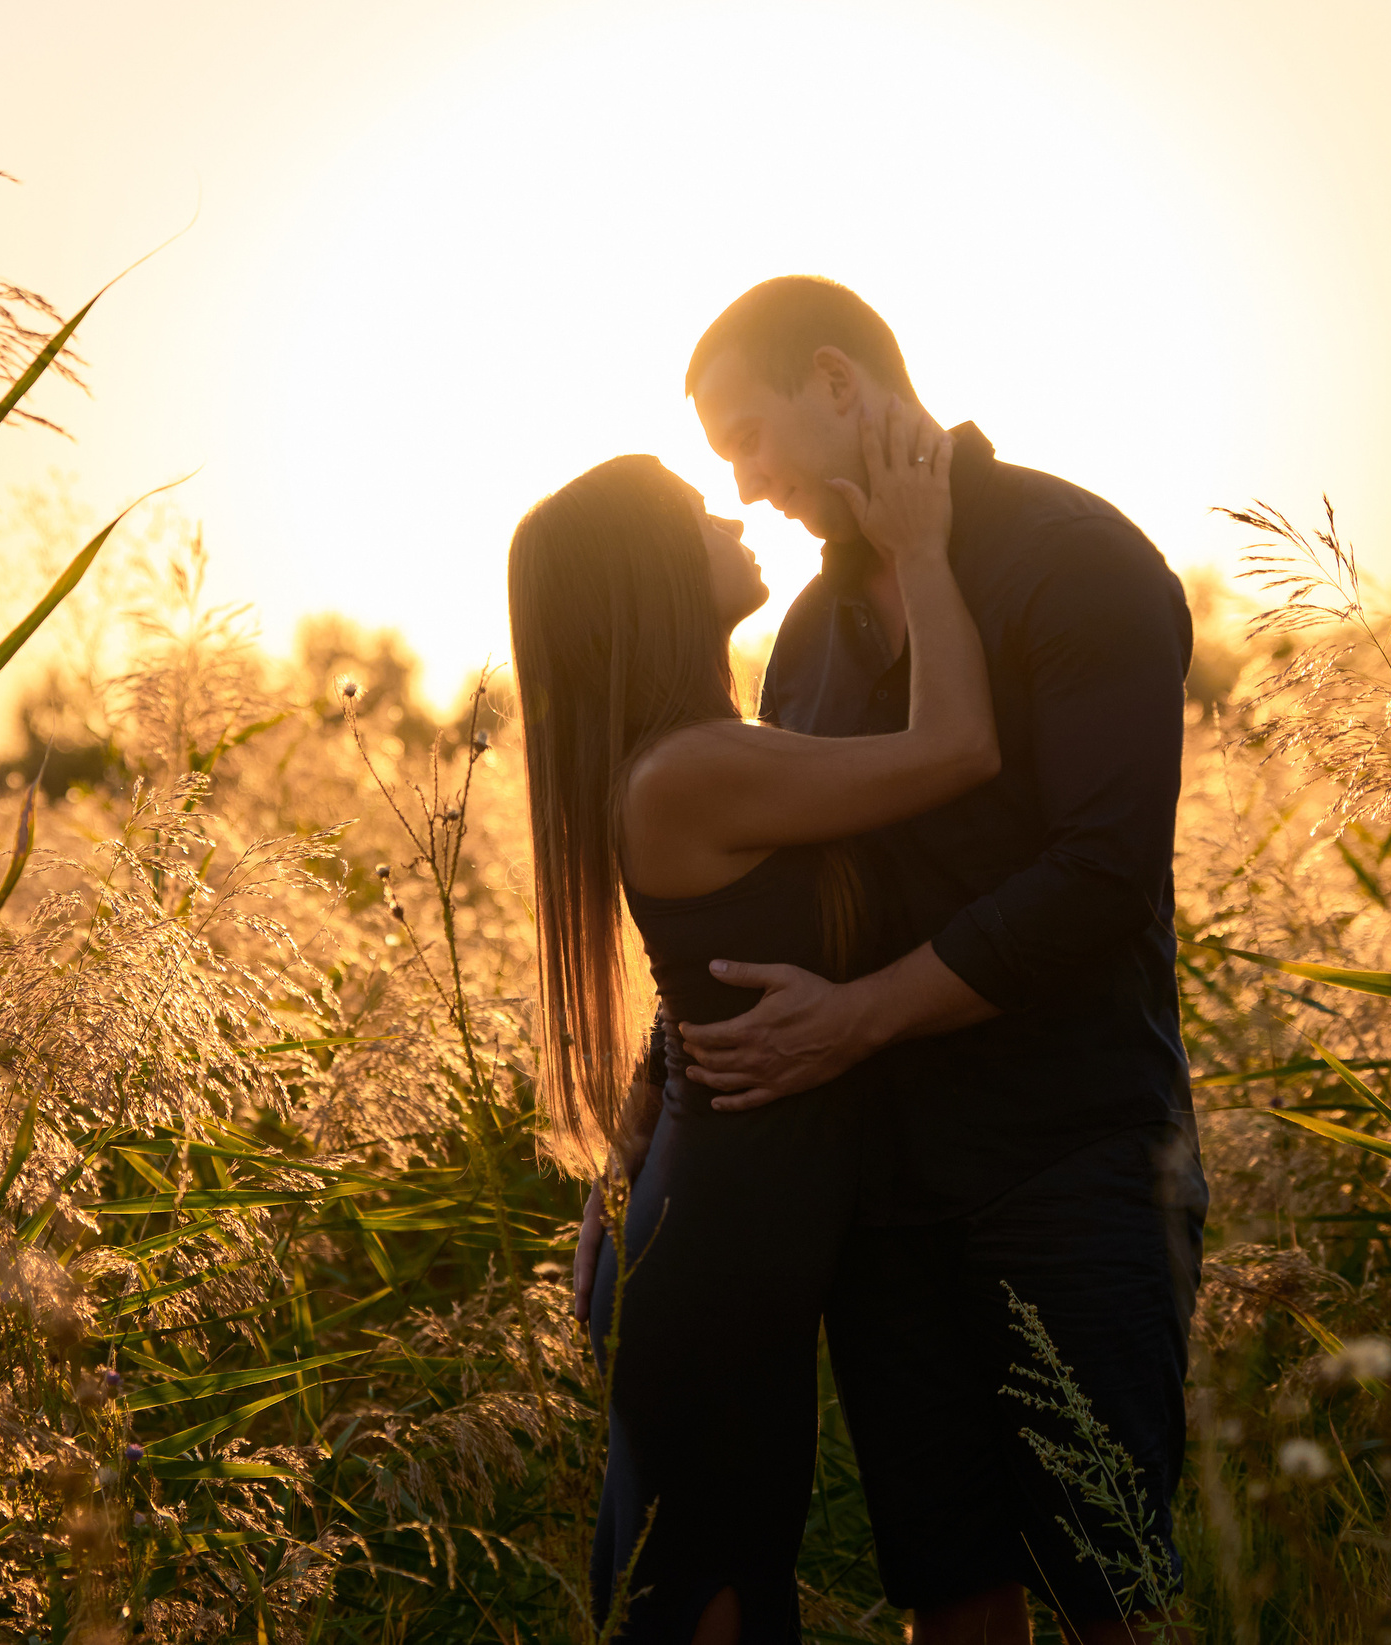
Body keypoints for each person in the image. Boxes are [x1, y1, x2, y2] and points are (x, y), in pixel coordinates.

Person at [666, 275, 1207, 1645]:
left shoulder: (1073, 557)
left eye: (748, 435)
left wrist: (855, 1021)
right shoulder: (809, 638)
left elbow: (1100, 873)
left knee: (1110, 1593)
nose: (745, 477)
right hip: (885, 1195)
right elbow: (768, 903)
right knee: (951, 1593)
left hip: (1068, 1152)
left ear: (839, 384)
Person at [510, 397, 994, 1645]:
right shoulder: (690, 770)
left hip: (710, 1230)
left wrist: (614, 1177)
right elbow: (955, 747)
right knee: (711, 1592)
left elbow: (699, 991)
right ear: (653, 577)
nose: (731, 508)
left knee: (726, 1572)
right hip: (717, 1252)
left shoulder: (709, 752)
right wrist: (922, 549)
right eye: (694, 510)